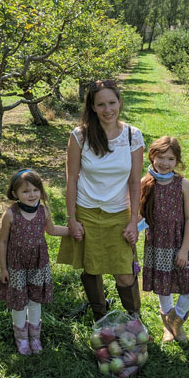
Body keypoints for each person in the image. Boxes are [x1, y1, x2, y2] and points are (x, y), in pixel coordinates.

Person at [57, 79, 145, 320]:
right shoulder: (80, 136)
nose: (108, 110)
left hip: (119, 212)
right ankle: (100, 316)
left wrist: (132, 222)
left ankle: (133, 317)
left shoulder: (132, 136)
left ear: (119, 102)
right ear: (92, 107)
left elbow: (135, 182)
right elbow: (71, 179)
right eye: (101, 104)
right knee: (91, 267)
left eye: (112, 103)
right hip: (86, 211)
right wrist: (72, 219)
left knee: (124, 272)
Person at [0, 169, 69, 355]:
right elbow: (3, 241)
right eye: (26, 191)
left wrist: (72, 231)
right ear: (15, 194)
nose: (32, 194)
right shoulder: (11, 214)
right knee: (19, 302)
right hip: (16, 266)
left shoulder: (43, 211)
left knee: (35, 300)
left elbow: (51, 230)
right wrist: (3, 268)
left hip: (38, 263)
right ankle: (21, 339)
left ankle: (35, 337)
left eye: (35, 190)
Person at [139, 136, 189, 343]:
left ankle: (176, 319)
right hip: (157, 242)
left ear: (177, 162)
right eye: (161, 158)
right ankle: (168, 327)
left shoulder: (183, 184)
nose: (165, 163)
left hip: (180, 240)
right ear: (152, 157)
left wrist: (184, 249)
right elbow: (139, 216)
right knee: (163, 285)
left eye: (171, 159)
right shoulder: (145, 183)